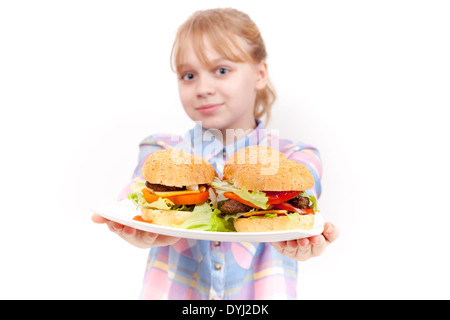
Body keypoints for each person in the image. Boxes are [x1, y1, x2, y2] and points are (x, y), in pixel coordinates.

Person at [92, 8, 339, 300]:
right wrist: (136, 227)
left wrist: (303, 240)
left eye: (222, 70)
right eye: (188, 75)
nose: (203, 88)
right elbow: (132, 198)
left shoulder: (296, 155)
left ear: (260, 74)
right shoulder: (160, 149)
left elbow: (305, 207)